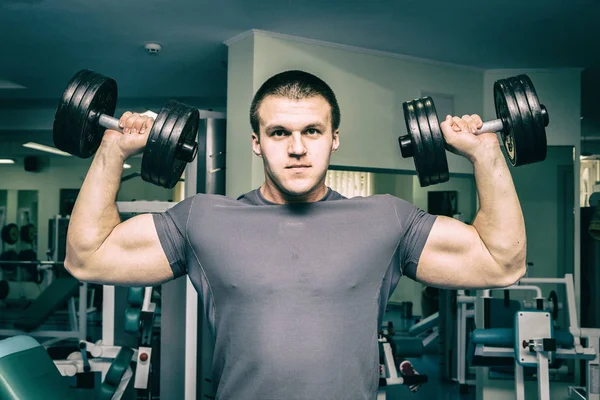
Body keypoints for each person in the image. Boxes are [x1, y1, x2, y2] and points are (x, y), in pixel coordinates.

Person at [64, 70, 526, 399]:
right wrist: (112, 148)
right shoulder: (202, 219)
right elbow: (88, 257)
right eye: (279, 132)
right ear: (256, 141)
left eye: (313, 131)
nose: (299, 147)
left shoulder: (387, 218)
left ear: (334, 138)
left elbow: (501, 262)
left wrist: (485, 152)